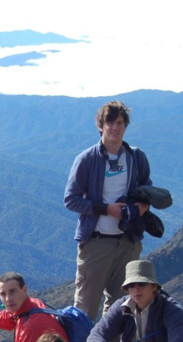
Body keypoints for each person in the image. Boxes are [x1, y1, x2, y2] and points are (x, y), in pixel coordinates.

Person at [64, 101, 153, 321]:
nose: (115, 127)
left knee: (121, 309)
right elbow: (71, 200)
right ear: (101, 126)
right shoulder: (87, 159)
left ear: (126, 126)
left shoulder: (135, 157)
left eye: (120, 123)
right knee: (84, 311)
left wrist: (143, 207)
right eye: (110, 122)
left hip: (128, 243)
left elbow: (148, 190)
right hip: (96, 243)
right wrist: (107, 209)